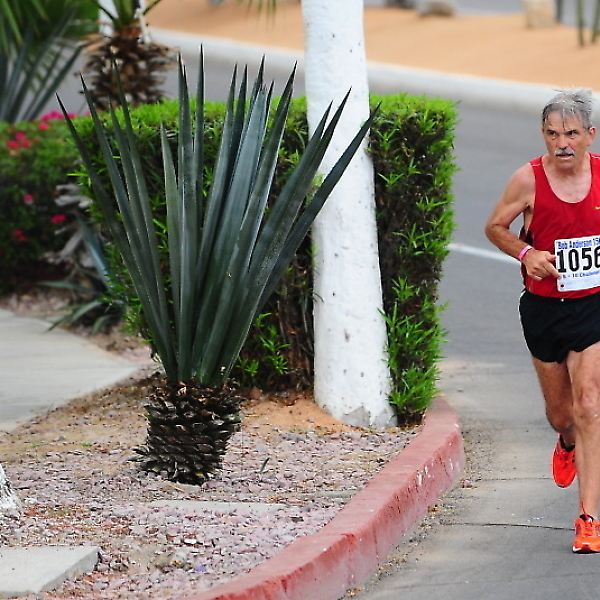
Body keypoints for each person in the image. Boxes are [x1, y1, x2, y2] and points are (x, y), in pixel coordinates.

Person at [485, 88, 600, 553]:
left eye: (571, 134)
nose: (562, 144)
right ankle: (566, 442)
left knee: (589, 404)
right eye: (553, 134)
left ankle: (588, 518)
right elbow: (495, 227)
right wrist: (527, 253)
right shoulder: (527, 180)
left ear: (590, 135)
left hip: (593, 306)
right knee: (562, 415)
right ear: (543, 135)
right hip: (544, 309)